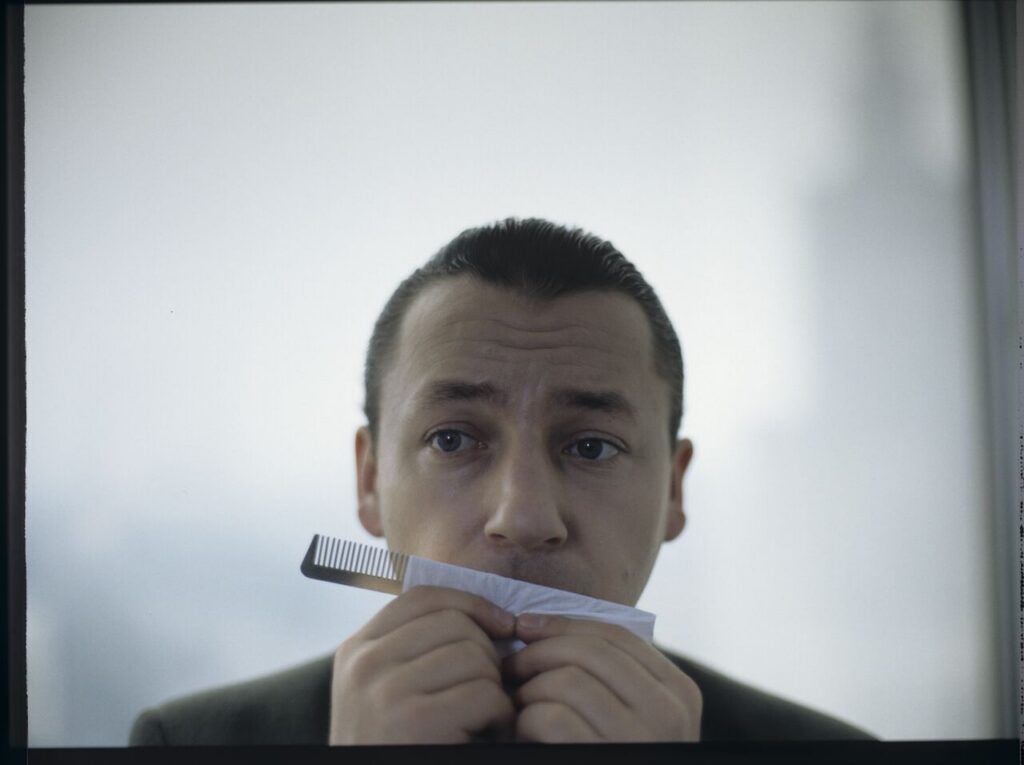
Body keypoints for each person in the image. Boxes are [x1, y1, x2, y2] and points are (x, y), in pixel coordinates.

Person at [129, 218, 874, 745]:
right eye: (452, 439)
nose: (523, 517)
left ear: (675, 492)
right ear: (369, 479)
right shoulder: (188, 742)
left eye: (592, 446)